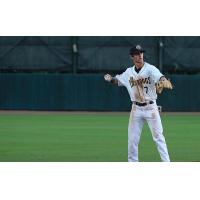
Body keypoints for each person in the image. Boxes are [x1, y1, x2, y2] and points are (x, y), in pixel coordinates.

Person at [104, 44, 172, 162]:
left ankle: (166, 163)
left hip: (151, 108)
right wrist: (110, 79)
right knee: (132, 140)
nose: (140, 55)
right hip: (136, 109)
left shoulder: (150, 68)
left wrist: (163, 81)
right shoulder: (128, 72)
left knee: (159, 137)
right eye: (137, 54)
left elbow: (160, 77)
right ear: (132, 57)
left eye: (141, 53)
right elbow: (117, 81)